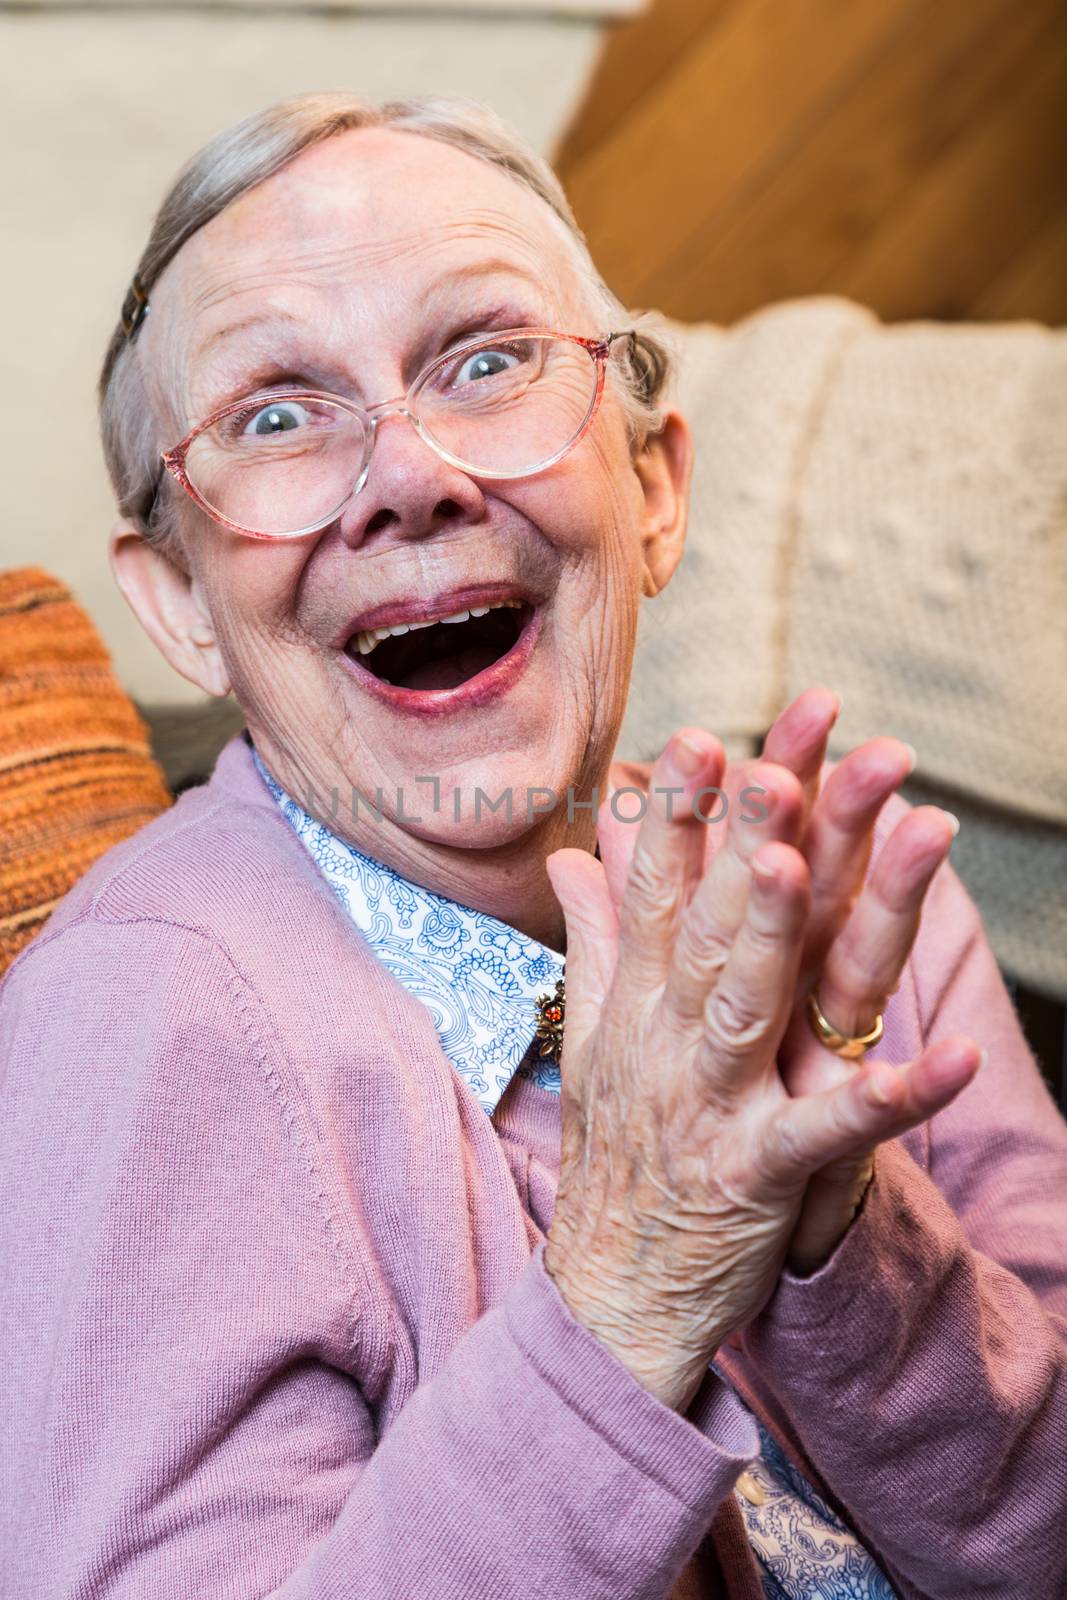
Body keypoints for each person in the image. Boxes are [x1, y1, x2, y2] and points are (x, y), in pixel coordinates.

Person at [1, 90, 1064, 1600]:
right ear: (178, 610)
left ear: (652, 490)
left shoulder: (855, 913)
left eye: (486, 360)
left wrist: (844, 1230)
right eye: (277, 414)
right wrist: (643, 1276)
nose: (410, 472)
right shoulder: (141, 1023)